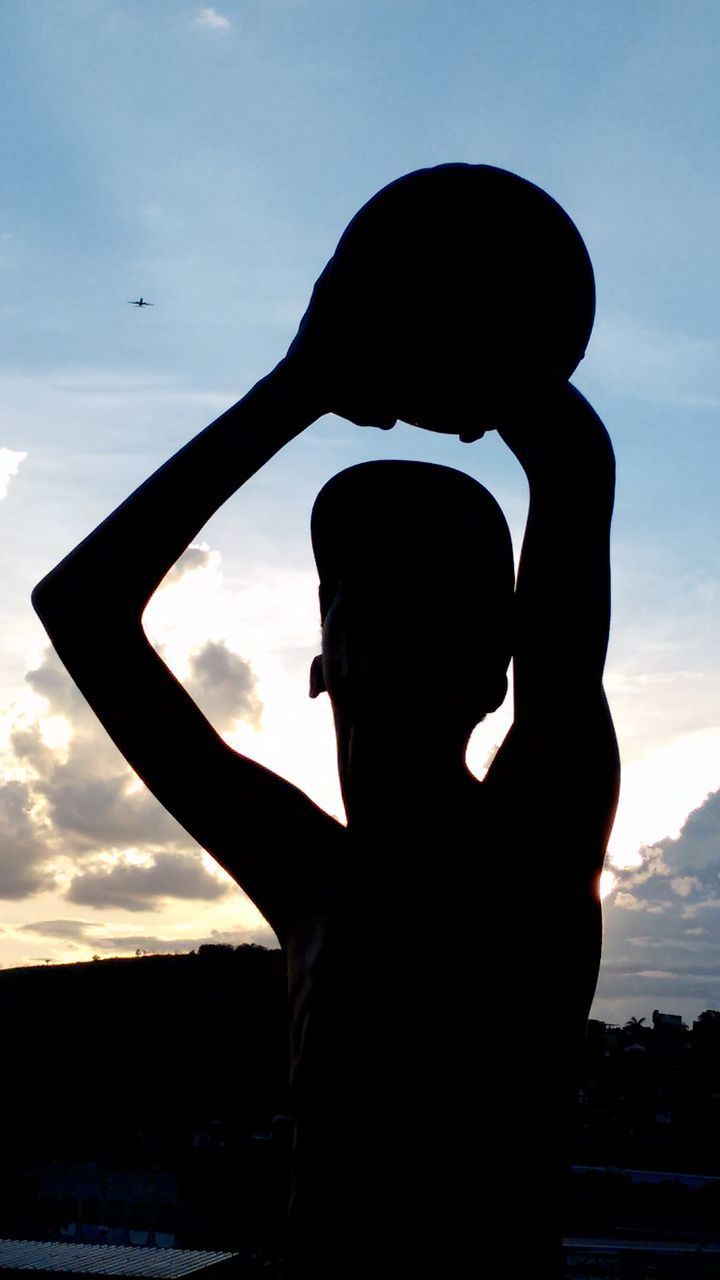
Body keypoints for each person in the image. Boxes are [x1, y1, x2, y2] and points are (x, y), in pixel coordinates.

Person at [33, 164, 619, 1277]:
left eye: (440, 607)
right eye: (375, 601)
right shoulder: (313, 871)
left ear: (498, 670)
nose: (404, 633)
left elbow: (575, 463)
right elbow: (81, 606)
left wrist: (429, 361)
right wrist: (302, 379)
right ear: (322, 667)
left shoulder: (538, 830)